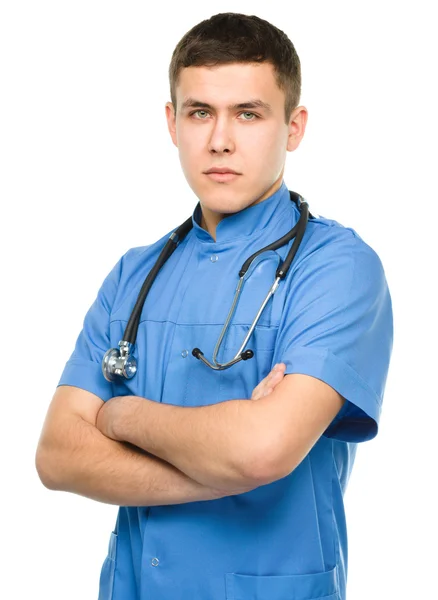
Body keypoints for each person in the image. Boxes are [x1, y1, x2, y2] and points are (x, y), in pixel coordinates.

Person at [35, 12, 393, 600]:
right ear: (172, 123)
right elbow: (56, 457)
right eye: (200, 112)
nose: (220, 140)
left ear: (294, 126)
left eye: (248, 114)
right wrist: (225, 465)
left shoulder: (336, 268)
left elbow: (262, 450)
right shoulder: (135, 272)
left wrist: (120, 418)